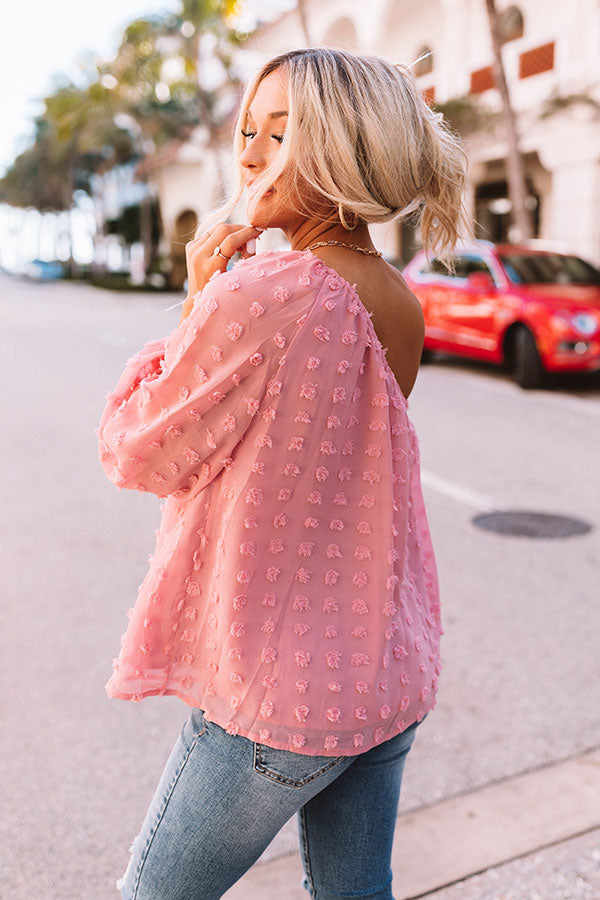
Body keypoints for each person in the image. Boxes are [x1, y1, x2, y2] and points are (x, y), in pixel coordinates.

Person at [97, 47, 468, 900]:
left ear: (345, 148)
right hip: (383, 669)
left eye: (282, 133)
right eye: (248, 132)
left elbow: (138, 451)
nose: (253, 156)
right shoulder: (399, 299)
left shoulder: (266, 289)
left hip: (280, 690)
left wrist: (198, 300)